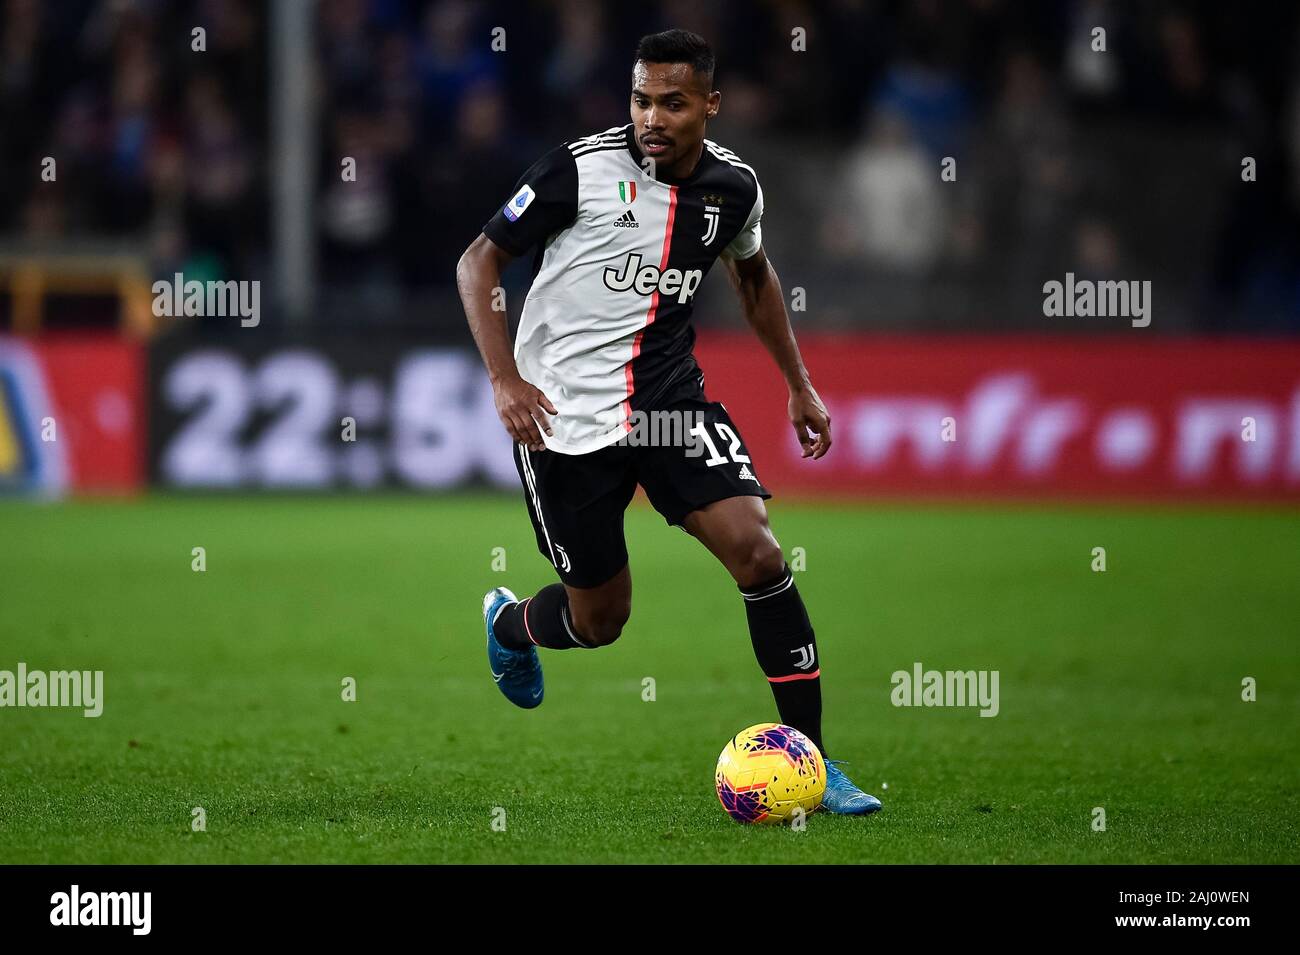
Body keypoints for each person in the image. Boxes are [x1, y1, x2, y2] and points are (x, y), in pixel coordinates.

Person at [455, 29, 880, 815]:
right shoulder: (575, 172)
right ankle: (512, 625)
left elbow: (753, 277)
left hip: (668, 404)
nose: (652, 117)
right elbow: (478, 260)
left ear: (710, 106)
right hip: (564, 421)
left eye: (673, 103)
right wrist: (504, 378)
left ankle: (815, 763)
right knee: (600, 618)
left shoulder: (733, 189)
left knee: (759, 553)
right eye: (641, 100)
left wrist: (799, 384)